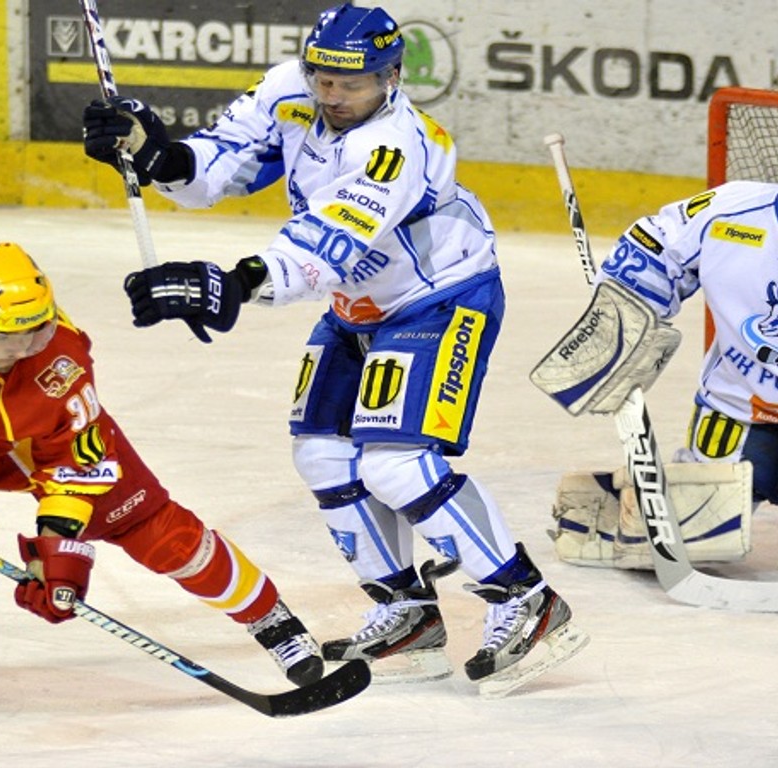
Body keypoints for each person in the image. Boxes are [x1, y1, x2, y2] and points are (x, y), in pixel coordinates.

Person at [81, 3, 585, 687]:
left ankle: (527, 600)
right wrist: (157, 153)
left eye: (351, 84)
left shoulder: (399, 145)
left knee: (398, 464)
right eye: (323, 78)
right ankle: (408, 611)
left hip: (440, 297)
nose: (332, 96)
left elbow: (328, 243)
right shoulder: (291, 89)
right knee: (322, 453)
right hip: (357, 306)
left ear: (393, 77)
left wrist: (232, 285)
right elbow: (221, 162)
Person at [0, 242, 324, 687]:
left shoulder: (57, 370)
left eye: (37, 328)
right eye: (7, 336)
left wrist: (58, 555)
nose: (27, 346)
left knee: (159, 534)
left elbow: (73, 473)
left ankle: (271, 621)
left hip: (37, 450)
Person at [534, 114, 778, 577]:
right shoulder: (733, 210)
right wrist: (623, 310)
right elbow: (656, 242)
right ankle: (627, 506)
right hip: (733, 399)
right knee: (702, 513)